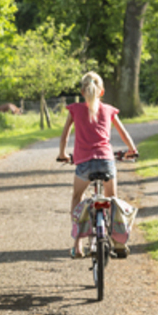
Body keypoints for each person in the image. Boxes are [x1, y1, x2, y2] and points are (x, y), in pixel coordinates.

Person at [56, 71, 138, 259]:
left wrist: (62, 154)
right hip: (106, 162)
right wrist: (132, 149)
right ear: (101, 92)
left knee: (77, 196)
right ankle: (118, 242)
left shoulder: (75, 109)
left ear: (82, 91)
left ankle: (77, 245)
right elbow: (123, 133)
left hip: (84, 163)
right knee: (112, 198)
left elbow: (65, 135)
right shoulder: (108, 109)